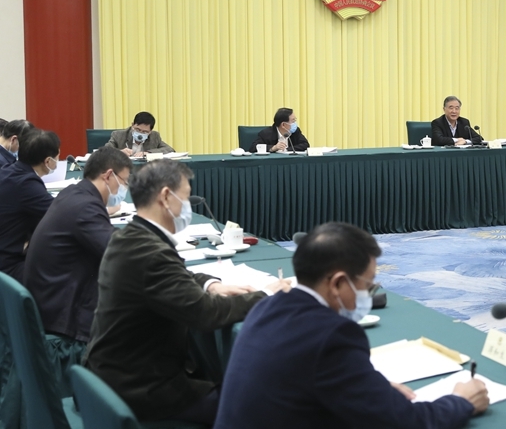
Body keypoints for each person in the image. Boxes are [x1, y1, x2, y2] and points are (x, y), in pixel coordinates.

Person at [214, 222, 489, 429]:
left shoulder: (269, 306)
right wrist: (461, 401)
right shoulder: (333, 336)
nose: (368, 294)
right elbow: (408, 423)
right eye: (367, 286)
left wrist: (366, 385)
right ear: (337, 283)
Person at [84, 159, 290, 426]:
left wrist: (210, 284)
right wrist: (266, 295)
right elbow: (206, 313)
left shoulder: (131, 236)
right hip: (141, 388)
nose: (187, 206)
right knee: (262, 405)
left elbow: (173, 275)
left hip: (115, 372)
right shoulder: (151, 252)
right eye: (185, 196)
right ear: (166, 197)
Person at [23, 147, 133, 351]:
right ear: (108, 175)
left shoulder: (73, 192)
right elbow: (121, 253)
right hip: (63, 320)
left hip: (50, 299)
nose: (125, 188)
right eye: (125, 181)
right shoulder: (86, 206)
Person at [0, 128, 58, 281]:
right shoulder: (27, 184)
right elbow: (60, 214)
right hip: (8, 267)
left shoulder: (8, 170)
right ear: (48, 161)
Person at [105, 111, 174, 156]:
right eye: (138, 129)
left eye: (145, 132)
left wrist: (148, 153)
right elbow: (105, 151)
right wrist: (120, 152)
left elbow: (170, 150)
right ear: (132, 125)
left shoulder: (154, 136)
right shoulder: (119, 135)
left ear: (150, 131)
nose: (140, 133)